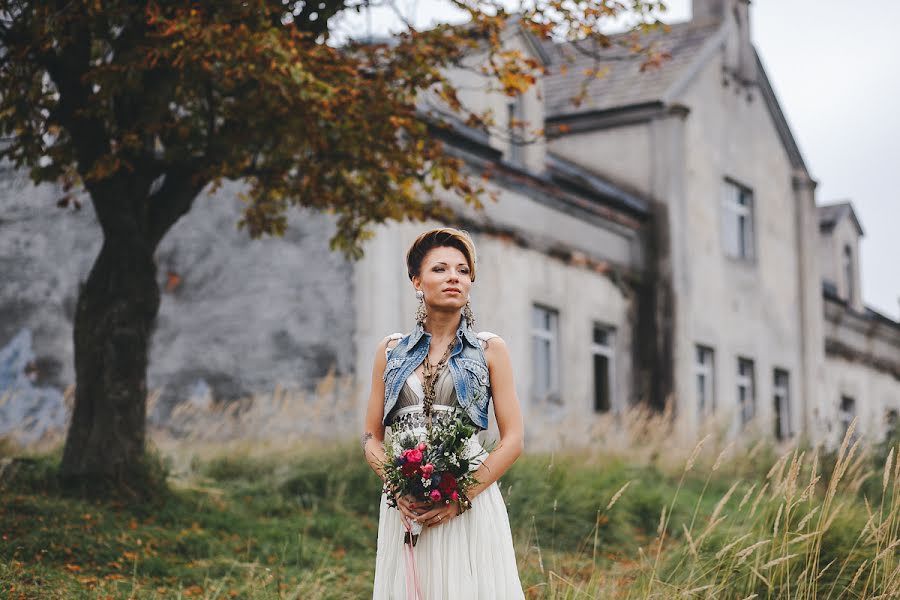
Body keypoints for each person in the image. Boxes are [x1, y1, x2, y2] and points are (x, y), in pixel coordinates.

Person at [362, 227, 526, 599]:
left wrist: (461, 497)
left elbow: (513, 440)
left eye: (463, 270)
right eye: (440, 269)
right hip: (405, 503)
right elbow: (371, 436)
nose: (454, 277)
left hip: (468, 499)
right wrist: (395, 483)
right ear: (417, 281)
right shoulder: (390, 351)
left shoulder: (490, 349)